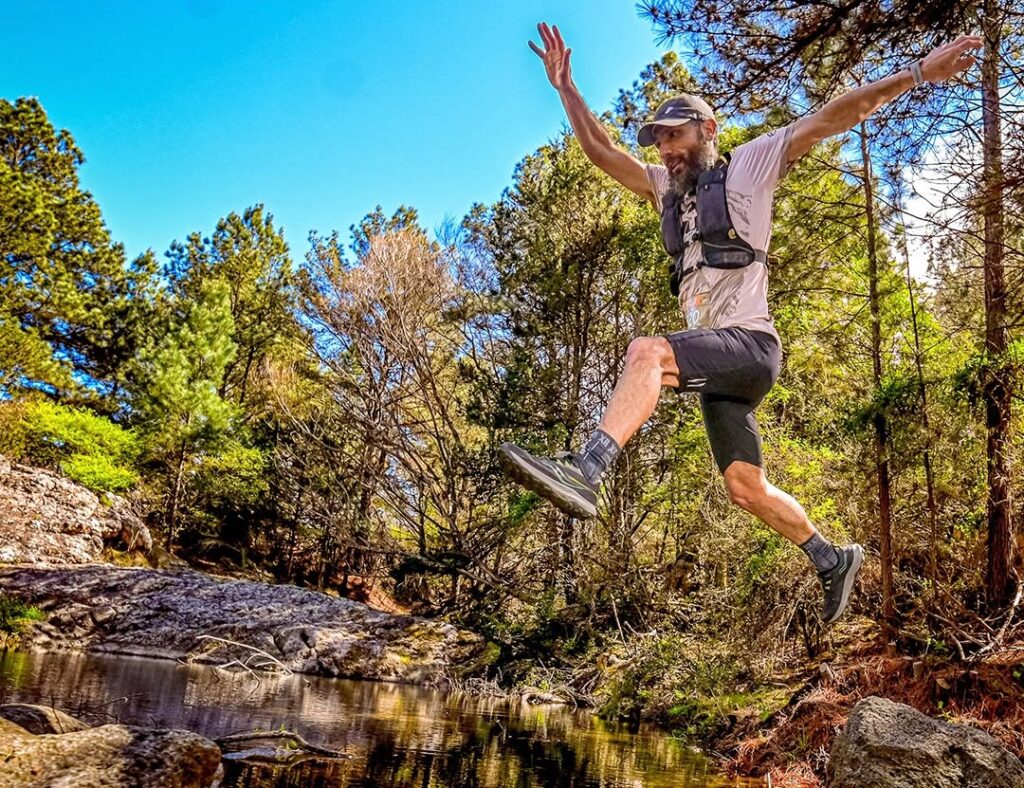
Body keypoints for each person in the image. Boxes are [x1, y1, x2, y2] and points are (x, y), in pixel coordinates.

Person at [500, 22, 982, 623]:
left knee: (647, 353)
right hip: (722, 370)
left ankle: (586, 469)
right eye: (658, 141)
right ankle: (832, 558)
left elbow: (833, 115)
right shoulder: (663, 189)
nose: (665, 150)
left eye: (674, 136)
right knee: (744, 486)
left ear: (707, 131)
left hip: (750, 346)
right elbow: (603, 154)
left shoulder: (751, 165)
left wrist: (917, 74)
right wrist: (566, 90)